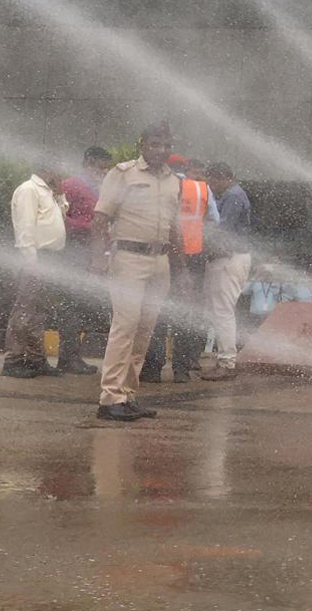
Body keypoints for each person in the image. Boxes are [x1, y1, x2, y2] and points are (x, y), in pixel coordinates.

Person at [91, 123, 181, 422]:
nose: (161, 150)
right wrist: (100, 257)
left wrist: (181, 269)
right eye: (155, 144)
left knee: (144, 330)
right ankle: (110, 398)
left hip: (160, 260)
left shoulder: (173, 181)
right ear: (142, 145)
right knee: (125, 327)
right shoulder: (123, 174)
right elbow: (101, 219)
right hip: (129, 258)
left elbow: (174, 227)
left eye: (166, 145)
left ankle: (127, 394)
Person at [141, 155, 217, 384]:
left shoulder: (158, 186)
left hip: (162, 256)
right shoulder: (202, 189)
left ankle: (153, 369)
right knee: (185, 313)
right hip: (192, 258)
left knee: (157, 312)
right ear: (185, 168)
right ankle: (181, 370)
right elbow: (214, 221)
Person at [2, 165, 70, 379]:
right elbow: (25, 229)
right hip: (35, 258)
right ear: (44, 167)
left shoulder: (48, 192)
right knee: (24, 310)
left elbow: (63, 214)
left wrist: (60, 195)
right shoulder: (28, 189)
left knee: (38, 312)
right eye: (56, 168)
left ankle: (35, 359)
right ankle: (13, 360)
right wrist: (32, 263)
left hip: (49, 259)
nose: (60, 172)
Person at [54, 146, 114, 375]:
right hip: (73, 256)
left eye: (106, 168)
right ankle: (67, 357)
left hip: (91, 257)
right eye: (101, 167)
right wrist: (90, 228)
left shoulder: (98, 189)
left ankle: (73, 356)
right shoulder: (70, 186)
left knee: (81, 308)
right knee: (71, 307)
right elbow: (60, 218)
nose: (104, 171)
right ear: (88, 162)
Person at [200, 162, 252, 380]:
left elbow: (223, 230)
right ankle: (225, 360)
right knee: (221, 311)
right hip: (230, 258)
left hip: (229, 259)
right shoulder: (232, 194)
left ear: (223, 178)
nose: (210, 185)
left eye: (211, 180)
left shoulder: (233, 196)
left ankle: (227, 363)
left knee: (223, 311)